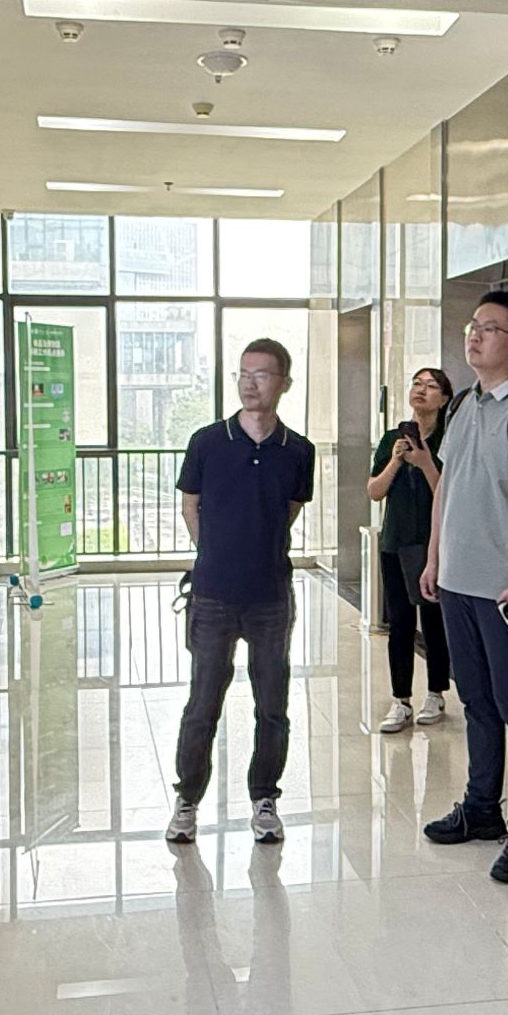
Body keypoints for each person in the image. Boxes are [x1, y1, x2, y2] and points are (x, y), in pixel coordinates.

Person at [419, 291, 508, 885]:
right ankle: (482, 808)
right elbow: (446, 488)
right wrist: (434, 559)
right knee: (475, 702)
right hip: (456, 583)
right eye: (472, 326)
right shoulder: (462, 406)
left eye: (490, 329)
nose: (474, 337)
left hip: (505, 589)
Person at [166, 339, 316, 848]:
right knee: (203, 702)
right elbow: (191, 505)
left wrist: (255, 545)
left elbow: (288, 509)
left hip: (271, 594)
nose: (250, 383)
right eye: (243, 373)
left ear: (284, 384)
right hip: (212, 593)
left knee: (272, 703)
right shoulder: (208, 441)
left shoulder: (298, 450)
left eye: (262, 374)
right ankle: (188, 799)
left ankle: (264, 798)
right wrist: (214, 550)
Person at [366, 366, 453, 732]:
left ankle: (436, 692)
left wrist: (425, 462)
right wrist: (396, 459)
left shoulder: (448, 440)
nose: (421, 390)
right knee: (399, 623)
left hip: (434, 545)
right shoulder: (393, 439)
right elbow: (374, 491)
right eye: (417, 384)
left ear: (444, 399)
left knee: (434, 622)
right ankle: (400, 699)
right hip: (395, 542)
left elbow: (448, 494)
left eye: (430, 386)